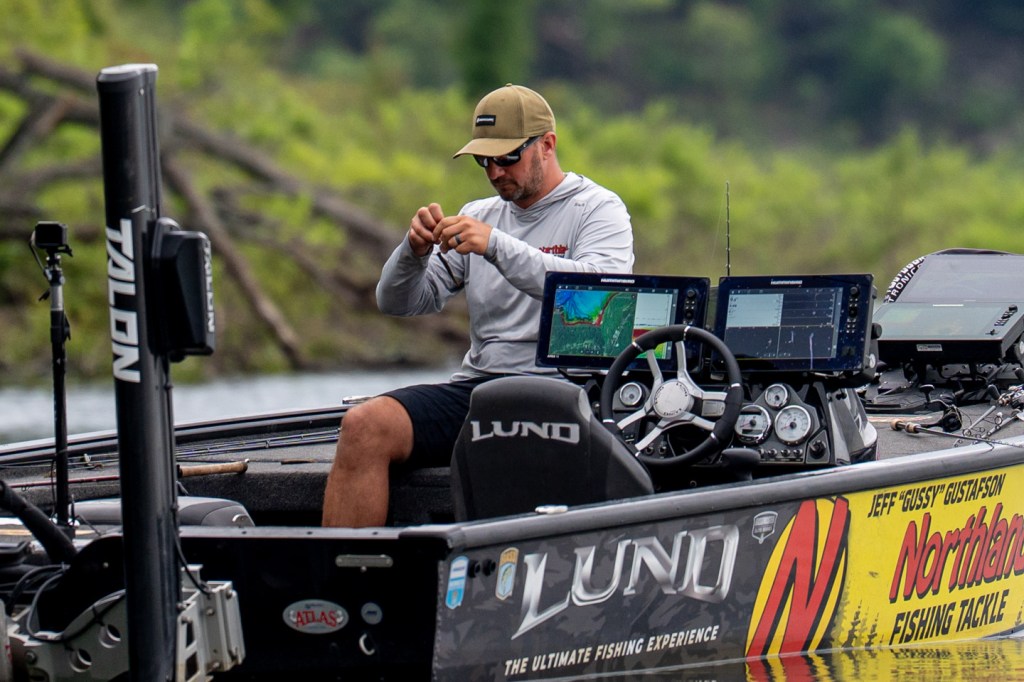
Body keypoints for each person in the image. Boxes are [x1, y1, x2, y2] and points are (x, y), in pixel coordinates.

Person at [322, 84, 634, 527]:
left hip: (568, 392)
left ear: (547, 145)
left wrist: (496, 246)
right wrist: (412, 252)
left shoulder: (598, 209)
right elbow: (396, 302)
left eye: (507, 157)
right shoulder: (479, 214)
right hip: (481, 390)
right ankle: (343, 569)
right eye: (483, 160)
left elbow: (601, 297)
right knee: (364, 426)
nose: (494, 172)